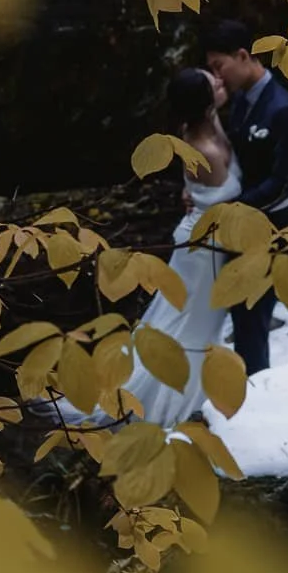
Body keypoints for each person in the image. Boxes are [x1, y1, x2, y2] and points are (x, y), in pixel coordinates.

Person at [108, 67, 243, 425]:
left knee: (183, 319)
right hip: (204, 248)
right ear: (205, 102)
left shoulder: (198, 129)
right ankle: (168, 402)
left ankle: (188, 394)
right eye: (213, 82)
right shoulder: (205, 150)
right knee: (190, 326)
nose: (220, 80)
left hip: (200, 236)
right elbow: (232, 197)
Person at [199, 17, 288, 374]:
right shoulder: (242, 101)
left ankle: (256, 389)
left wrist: (232, 208)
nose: (217, 77)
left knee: (253, 317)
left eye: (219, 66)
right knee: (242, 316)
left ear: (244, 56)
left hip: (272, 227)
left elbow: (286, 180)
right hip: (239, 226)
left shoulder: (283, 108)